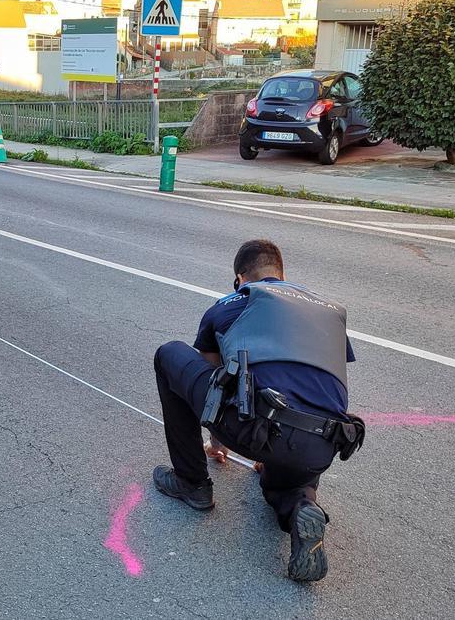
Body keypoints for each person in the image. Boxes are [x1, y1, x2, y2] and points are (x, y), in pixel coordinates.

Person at [151, 240, 365, 582]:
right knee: (288, 481)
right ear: (282, 275)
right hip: (323, 442)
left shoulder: (232, 303)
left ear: (240, 278)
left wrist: (218, 440)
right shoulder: (326, 310)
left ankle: (191, 483)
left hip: (255, 426)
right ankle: (301, 508)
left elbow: (212, 381)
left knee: (170, 353)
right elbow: (320, 382)